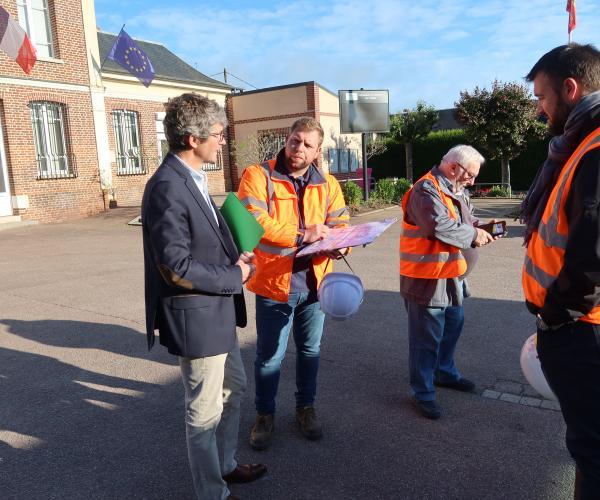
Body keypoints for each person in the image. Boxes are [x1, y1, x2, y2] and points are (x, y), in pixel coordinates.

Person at [141, 93, 266, 500]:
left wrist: (238, 254)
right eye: (217, 134)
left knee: (234, 391)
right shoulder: (166, 187)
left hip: (217, 312)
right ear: (192, 139)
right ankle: (212, 492)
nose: (223, 142)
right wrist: (235, 274)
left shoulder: (193, 177)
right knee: (203, 412)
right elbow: (175, 267)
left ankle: (225, 466)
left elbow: (202, 242)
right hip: (196, 318)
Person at [237, 117, 349, 450]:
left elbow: (339, 221)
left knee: (311, 351)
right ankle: (264, 415)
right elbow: (253, 219)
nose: (298, 148)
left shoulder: (327, 183)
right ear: (287, 139)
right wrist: (302, 235)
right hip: (275, 283)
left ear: (318, 151)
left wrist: (343, 241)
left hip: (315, 285)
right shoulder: (258, 175)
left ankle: (305, 409)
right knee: (269, 356)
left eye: (307, 145)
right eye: (294, 140)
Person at [520, 43, 600, 499]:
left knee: (592, 452)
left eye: (543, 97)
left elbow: (593, 254)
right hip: (579, 326)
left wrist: (558, 312)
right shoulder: (580, 145)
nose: (539, 109)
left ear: (571, 89)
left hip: (582, 331)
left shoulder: (594, 147)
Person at [399, 145, 495, 420]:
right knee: (425, 339)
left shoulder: (454, 189)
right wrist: (473, 235)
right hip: (426, 279)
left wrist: (483, 228)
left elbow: (466, 220)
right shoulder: (425, 190)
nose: (472, 181)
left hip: (451, 275)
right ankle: (423, 393)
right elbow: (437, 227)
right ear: (454, 167)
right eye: (470, 175)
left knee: (453, 325)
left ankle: (444, 372)